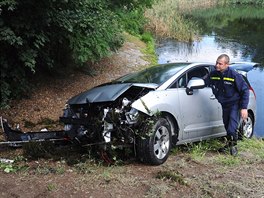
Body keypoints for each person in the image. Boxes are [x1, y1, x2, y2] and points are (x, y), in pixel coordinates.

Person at [209, 54, 249, 156]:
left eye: (220, 64)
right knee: (227, 126)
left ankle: (234, 147)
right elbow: (204, 81)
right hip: (224, 104)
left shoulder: (234, 75)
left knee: (232, 128)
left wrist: (244, 108)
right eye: (217, 63)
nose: (217, 65)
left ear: (227, 64)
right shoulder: (214, 74)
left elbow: (245, 91)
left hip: (235, 104)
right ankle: (229, 144)